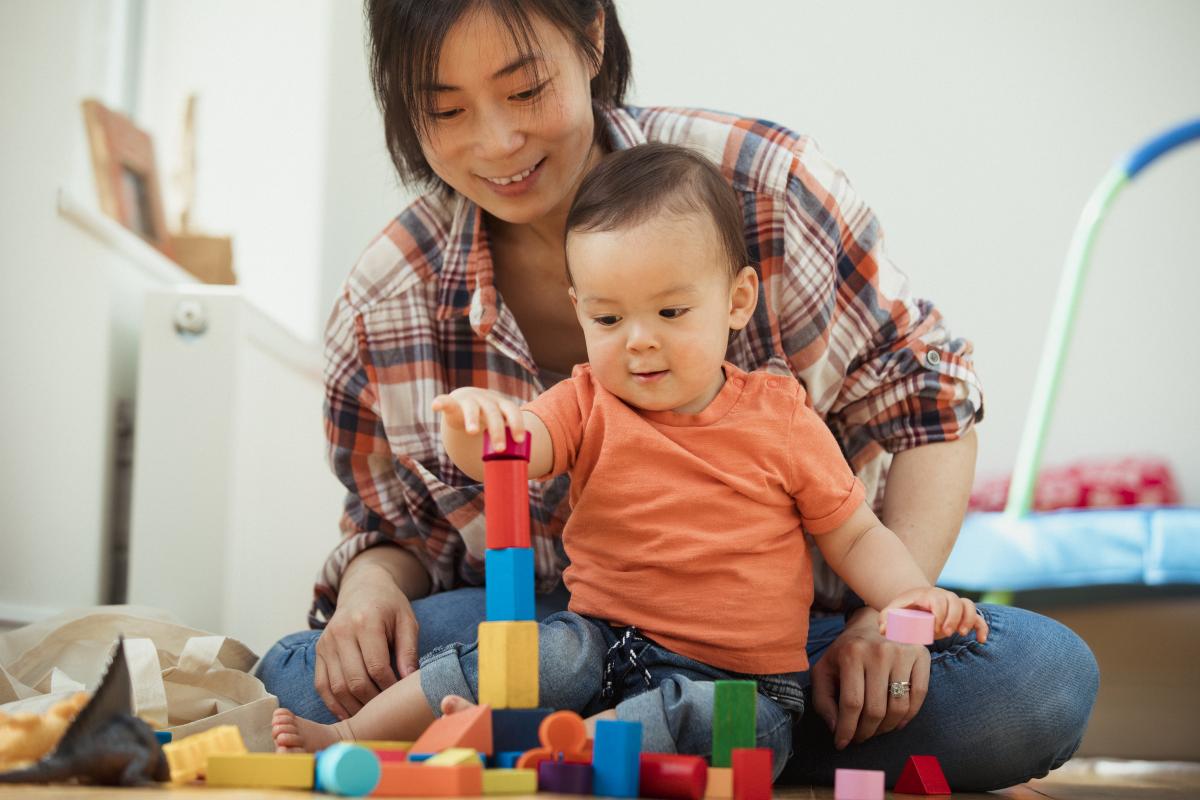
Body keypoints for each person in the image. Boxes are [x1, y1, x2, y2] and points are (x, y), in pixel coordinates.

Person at [257, 0, 1099, 789]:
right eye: (445, 111)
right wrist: (372, 590)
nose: (499, 140)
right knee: (299, 675)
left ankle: (656, 741)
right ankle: (687, 753)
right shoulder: (390, 303)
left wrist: (894, 617)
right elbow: (410, 522)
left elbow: (925, 416)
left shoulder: (763, 194)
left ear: (590, 36)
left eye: (525, 88)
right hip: (572, 632)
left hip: (782, 645)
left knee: (1036, 682)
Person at [270, 145, 992, 774]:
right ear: (580, 307)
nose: (638, 341)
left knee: (706, 722)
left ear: (737, 301)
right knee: (530, 656)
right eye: (609, 319)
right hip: (604, 643)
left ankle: (543, 750)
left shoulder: (780, 415)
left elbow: (856, 533)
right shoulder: (588, 401)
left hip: (742, 685)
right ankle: (345, 735)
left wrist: (903, 599)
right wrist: (477, 427)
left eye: (671, 313)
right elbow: (518, 449)